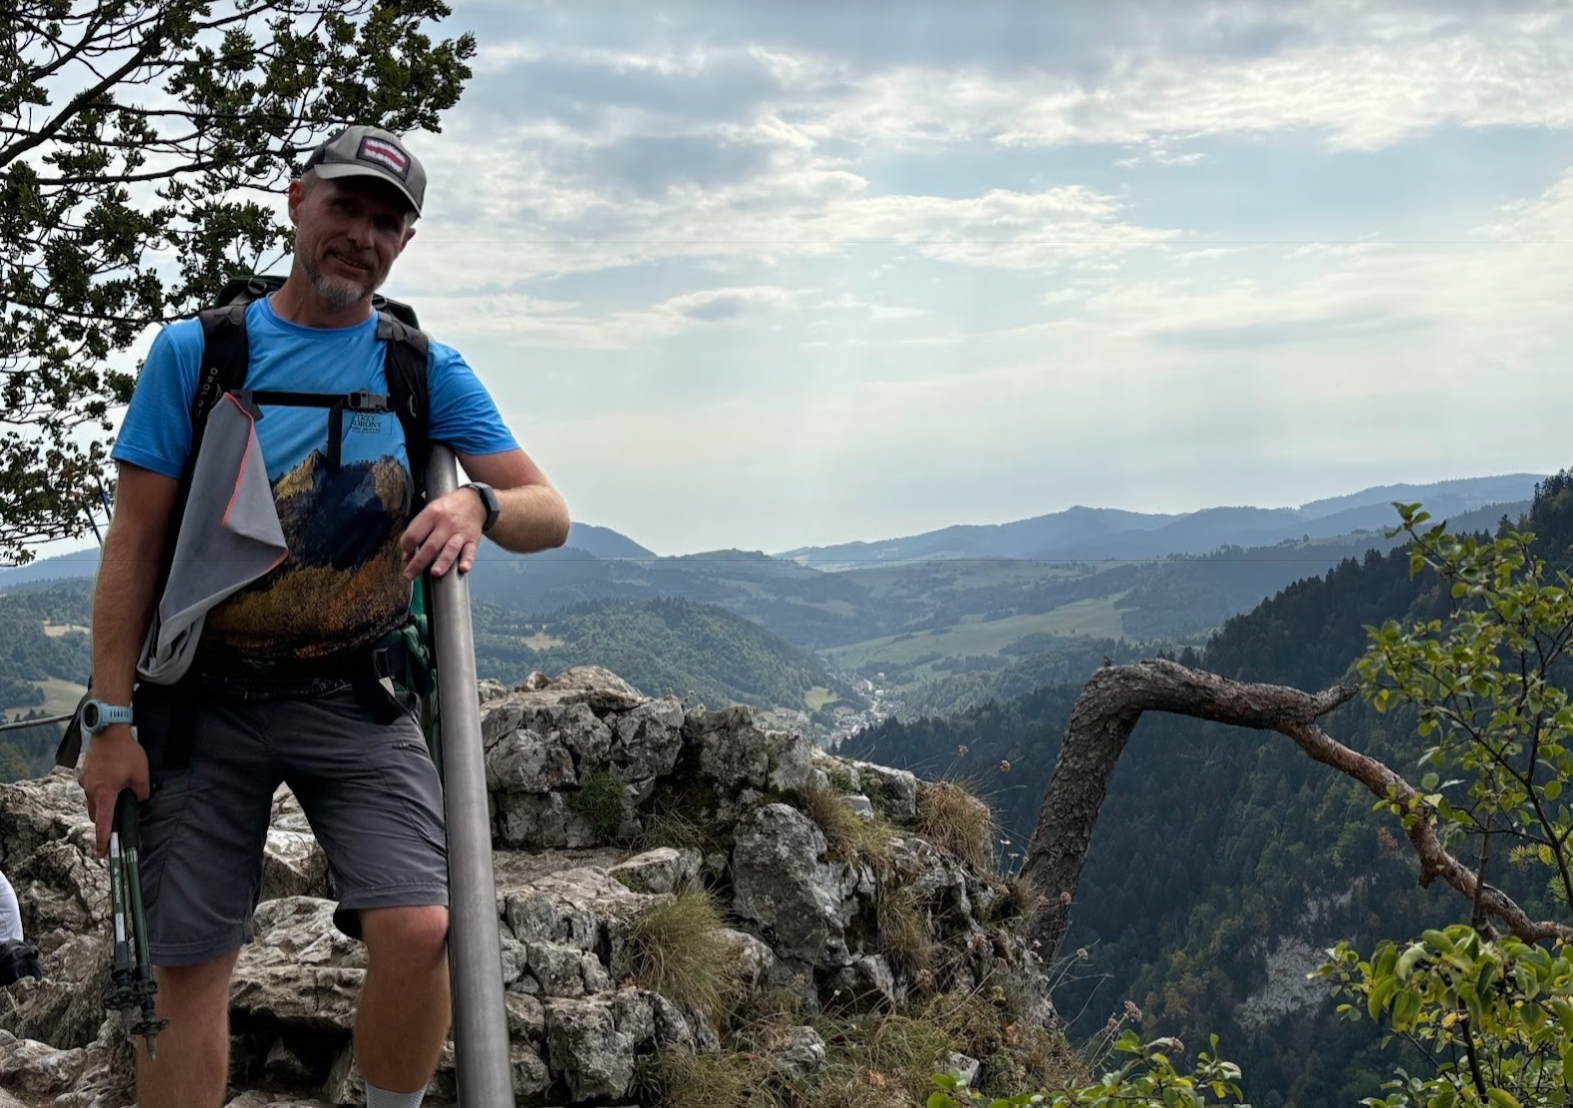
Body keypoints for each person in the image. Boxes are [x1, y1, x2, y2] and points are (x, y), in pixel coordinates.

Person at [76, 125, 570, 1108]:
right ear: (298, 202)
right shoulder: (198, 354)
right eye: (346, 206)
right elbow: (131, 543)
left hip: (352, 689)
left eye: (387, 221)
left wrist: (478, 501)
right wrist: (109, 719)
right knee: (190, 965)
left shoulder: (419, 367)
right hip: (198, 697)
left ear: (404, 245)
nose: (363, 234)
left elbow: (548, 512)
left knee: (422, 929)